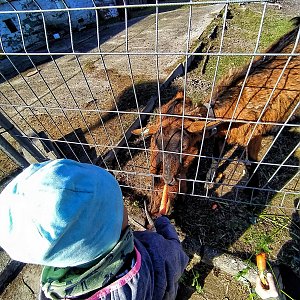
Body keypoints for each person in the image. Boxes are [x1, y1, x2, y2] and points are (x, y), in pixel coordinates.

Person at [0, 159, 189, 300]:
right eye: (119, 204)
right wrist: (162, 222)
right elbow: (177, 257)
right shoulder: (155, 249)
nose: (123, 206)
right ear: (103, 233)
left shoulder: (53, 288)